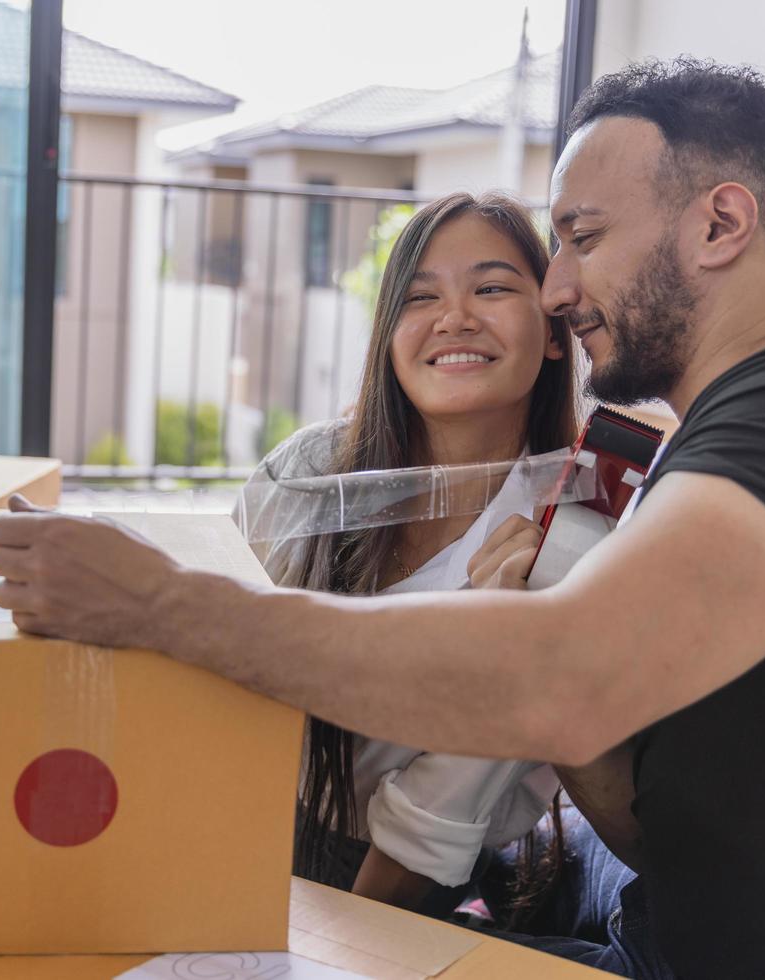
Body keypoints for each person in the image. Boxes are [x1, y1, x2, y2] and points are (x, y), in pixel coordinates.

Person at [0, 59, 765, 978]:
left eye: (582, 238)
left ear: (720, 224)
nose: (560, 287)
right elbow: (651, 815)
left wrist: (163, 602)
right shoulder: (700, 454)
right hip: (664, 941)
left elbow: (561, 678)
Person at [240, 190, 577, 915]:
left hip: (384, 889)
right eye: (420, 297)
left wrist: (340, 949)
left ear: (553, 332)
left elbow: (432, 827)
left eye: (491, 288)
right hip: (230, 821)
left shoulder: (562, 539)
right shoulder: (307, 471)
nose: (455, 318)